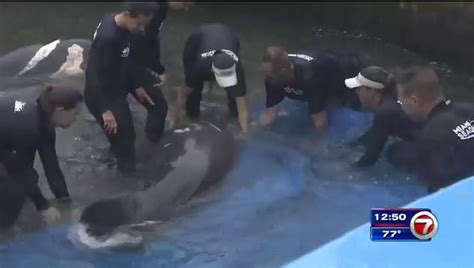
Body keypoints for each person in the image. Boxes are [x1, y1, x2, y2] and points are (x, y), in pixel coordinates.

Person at [84, 2, 163, 175]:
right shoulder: (109, 37)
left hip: (116, 84)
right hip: (102, 94)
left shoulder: (121, 25)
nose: (141, 29)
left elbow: (123, 59)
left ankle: (115, 156)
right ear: (128, 14)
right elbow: (92, 73)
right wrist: (105, 109)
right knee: (126, 142)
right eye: (139, 24)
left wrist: (136, 86)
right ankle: (126, 182)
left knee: (126, 137)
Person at [0, 86, 83, 229]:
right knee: (13, 192)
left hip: (5, 141)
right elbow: (20, 170)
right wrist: (43, 206)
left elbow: (52, 170)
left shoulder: (45, 125)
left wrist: (67, 204)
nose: (76, 118)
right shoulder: (30, 127)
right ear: (60, 111)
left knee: (27, 181)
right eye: (75, 113)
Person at [395, 66, 474, 193]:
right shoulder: (469, 109)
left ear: (414, 101)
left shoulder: (431, 137)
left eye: (400, 101)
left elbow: (440, 193)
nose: (401, 106)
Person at [259, 46, 365, 133]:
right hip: (324, 68)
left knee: (351, 106)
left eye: (270, 76)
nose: (265, 79)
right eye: (265, 75)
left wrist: (316, 144)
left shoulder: (311, 76)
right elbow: (271, 112)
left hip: (348, 73)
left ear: (284, 71)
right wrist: (253, 131)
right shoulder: (272, 76)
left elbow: (320, 122)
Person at [171, 23, 250, 133]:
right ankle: (193, 117)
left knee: (235, 97)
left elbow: (242, 106)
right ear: (212, 71)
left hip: (229, 35)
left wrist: (245, 133)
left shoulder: (237, 69)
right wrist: (175, 116)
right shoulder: (199, 66)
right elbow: (184, 93)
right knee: (193, 93)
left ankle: (232, 115)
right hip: (197, 40)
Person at [344, 66, 422, 167]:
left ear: (371, 91)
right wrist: (352, 145)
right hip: (430, 138)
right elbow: (375, 132)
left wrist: (351, 170)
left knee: (393, 152)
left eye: (359, 88)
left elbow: (372, 155)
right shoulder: (391, 101)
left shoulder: (385, 112)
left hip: (430, 150)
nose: (356, 92)